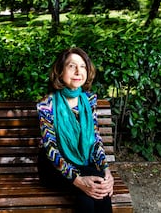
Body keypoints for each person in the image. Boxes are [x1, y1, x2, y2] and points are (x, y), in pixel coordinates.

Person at [36, 47, 114, 213]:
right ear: (60, 71)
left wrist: (107, 172)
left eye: (83, 66)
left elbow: (95, 140)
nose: (79, 71)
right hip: (53, 167)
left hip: (82, 162)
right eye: (72, 66)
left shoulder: (90, 100)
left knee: (98, 187)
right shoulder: (46, 104)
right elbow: (51, 150)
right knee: (90, 191)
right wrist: (79, 181)